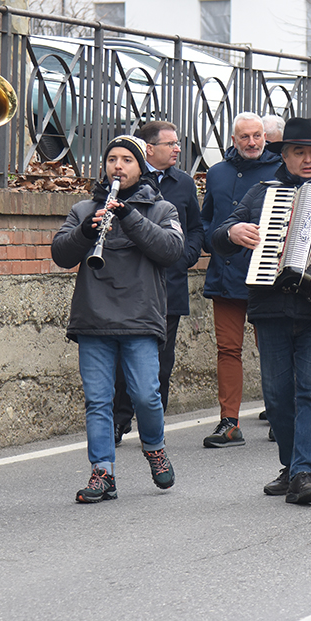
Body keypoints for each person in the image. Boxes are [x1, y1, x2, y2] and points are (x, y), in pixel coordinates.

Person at [211, 117, 311, 505]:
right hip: (270, 306)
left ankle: (303, 472)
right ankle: (290, 466)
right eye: (298, 152)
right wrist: (233, 233)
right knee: (278, 395)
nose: (307, 159)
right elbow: (221, 234)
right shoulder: (262, 193)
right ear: (283, 156)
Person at [52, 135, 184, 503]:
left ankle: (154, 447)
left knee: (145, 394)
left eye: (127, 159)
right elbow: (61, 254)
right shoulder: (82, 210)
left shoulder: (162, 210)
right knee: (98, 401)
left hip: (140, 318)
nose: (118, 166)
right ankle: (102, 472)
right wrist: (86, 232)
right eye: (112, 159)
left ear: (141, 168)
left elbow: (172, 250)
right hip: (94, 318)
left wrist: (129, 215)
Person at [113, 121, 204, 442]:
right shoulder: (128, 180)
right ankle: (119, 420)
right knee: (126, 358)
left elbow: (196, 228)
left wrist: (185, 255)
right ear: (149, 148)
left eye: (178, 143)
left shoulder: (184, 184)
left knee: (162, 362)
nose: (178, 149)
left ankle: (154, 428)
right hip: (132, 285)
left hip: (171, 284)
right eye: (171, 144)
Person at [199, 112, 281, 447]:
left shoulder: (280, 170)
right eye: (244, 137)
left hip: (267, 277)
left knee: (273, 350)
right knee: (227, 350)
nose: (251, 142)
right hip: (226, 272)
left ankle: (280, 417)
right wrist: (217, 240)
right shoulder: (217, 173)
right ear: (233, 140)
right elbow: (206, 222)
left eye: (257, 136)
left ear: (265, 137)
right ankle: (228, 422)